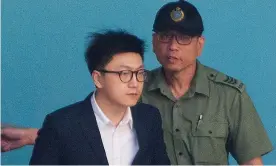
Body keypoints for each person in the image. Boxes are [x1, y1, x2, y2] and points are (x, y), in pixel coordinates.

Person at [2, 0, 273, 165]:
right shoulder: (131, 86)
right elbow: (93, 132)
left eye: (184, 39)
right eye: (166, 37)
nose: (173, 47)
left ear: (200, 45)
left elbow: (251, 161)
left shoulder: (229, 95)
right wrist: (34, 135)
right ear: (154, 42)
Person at [20, 30, 170, 165]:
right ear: (98, 79)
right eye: (125, 74)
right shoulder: (61, 125)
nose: (135, 83)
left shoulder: (149, 118)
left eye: (139, 73)